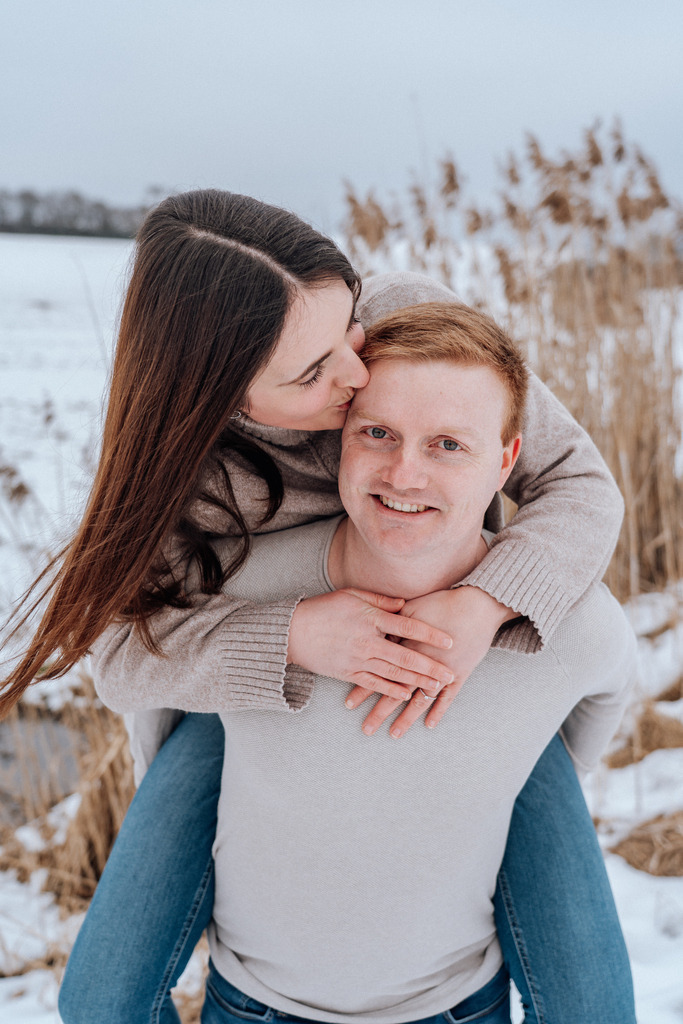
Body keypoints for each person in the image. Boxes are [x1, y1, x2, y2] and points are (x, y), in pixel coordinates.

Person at [0, 191, 630, 1022]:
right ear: (227, 397)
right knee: (103, 993)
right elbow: (124, 658)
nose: (358, 375)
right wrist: (290, 635)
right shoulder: (198, 480)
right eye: (311, 372)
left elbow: (579, 486)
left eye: (345, 332)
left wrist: (483, 605)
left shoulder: (403, 326)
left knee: (591, 996)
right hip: (252, 692)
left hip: (465, 666)